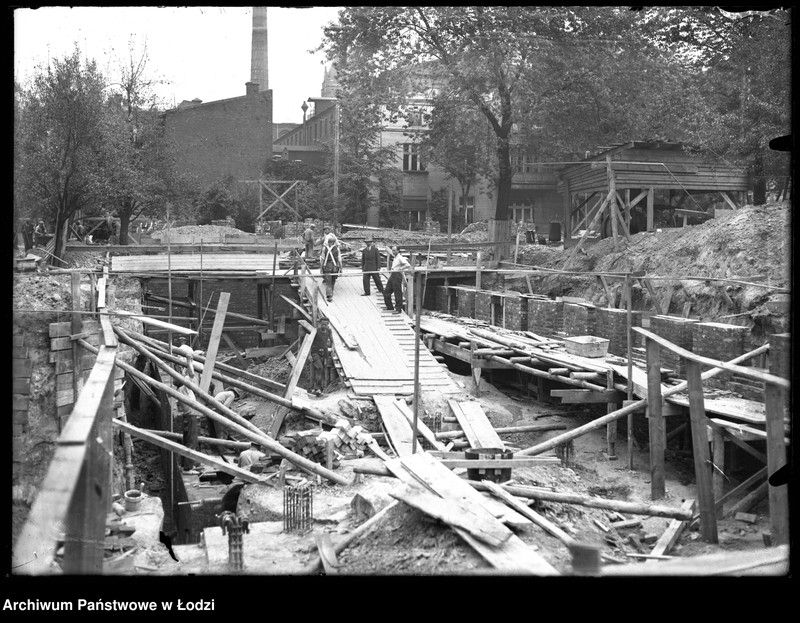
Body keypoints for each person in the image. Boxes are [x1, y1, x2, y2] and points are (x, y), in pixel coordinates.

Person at [383, 245, 412, 314]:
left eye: (394, 250)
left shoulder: (400, 257)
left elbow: (407, 265)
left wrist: (401, 269)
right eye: (392, 250)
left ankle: (398, 309)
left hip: (397, 275)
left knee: (397, 292)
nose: (393, 252)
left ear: (398, 251)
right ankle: (389, 307)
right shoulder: (395, 258)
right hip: (393, 274)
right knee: (386, 292)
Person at [309, 317, 334, 395]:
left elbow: (332, 341)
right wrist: (309, 355)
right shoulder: (316, 331)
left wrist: (332, 348)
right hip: (315, 352)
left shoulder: (329, 331)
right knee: (319, 367)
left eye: (325, 324)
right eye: (322, 324)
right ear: (319, 324)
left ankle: (320, 389)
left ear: (328, 324)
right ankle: (316, 387)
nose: (324, 326)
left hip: (325, 353)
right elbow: (309, 342)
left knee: (323, 371)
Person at [320, 227, 341, 302]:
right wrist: (341, 268)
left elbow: (322, 259)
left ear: (328, 242)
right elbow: (339, 259)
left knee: (328, 281)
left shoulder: (324, 248)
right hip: (335, 267)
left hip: (327, 266)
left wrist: (321, 268)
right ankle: (330, 292)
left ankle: (329, 295)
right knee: (333, 280)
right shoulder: (337, 249)